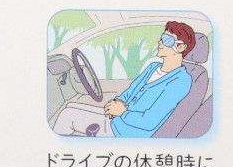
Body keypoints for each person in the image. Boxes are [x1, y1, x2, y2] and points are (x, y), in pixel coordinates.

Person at [53, 22, 196, 138]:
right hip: (119, 119)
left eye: (167, 40)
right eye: (161, 38)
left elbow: (150, 121)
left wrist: (122, 112)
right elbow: (130, 90)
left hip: (128, 131)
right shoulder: (153, 67)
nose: (160, 42)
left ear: (180, 47)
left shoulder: (181, 80)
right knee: (70, 106)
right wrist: (116, 103)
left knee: (67, 115)